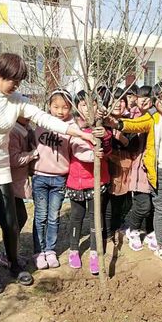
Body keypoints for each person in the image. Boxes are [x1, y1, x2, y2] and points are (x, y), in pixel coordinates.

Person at [0, 53, 94, 293]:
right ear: (0, 74)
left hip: (1, 169)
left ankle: (12, 263)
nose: (17, 85)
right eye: (15, 80)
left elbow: (42, 117)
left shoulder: (16, 98)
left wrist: (78, 133)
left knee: (10, 223)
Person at [106, 81, 162, 267]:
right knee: (161, 209)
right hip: (159, 171)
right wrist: (116, 123)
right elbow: (133, 125)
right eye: (160, 98)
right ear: (155, 100)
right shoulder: (152, 118)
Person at [66, 90, 112, 275]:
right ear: (77, 106)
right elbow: (77, 150)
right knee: (76, 216)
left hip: (97, 180)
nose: (89, 108)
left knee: (96, 217)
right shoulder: (72, 127)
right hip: (76, 181)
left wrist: (105, 138)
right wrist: (94, 154)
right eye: (84, 104)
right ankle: (73, 249)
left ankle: (95, 251)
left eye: (92, 104)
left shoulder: (101, 127)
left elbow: (108, 151)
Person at [32, 89, 74, 269]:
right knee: (40, 216)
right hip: (40, 177)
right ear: (49, 106)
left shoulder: (72, 128)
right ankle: (38, 251)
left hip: (59, 179)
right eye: (56, 106)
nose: (60, 111)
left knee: (53, 217)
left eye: (65, 107)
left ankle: (50, 250)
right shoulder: (40, 124)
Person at [3, 114, 38, 268]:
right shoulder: (13, 132)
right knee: (16, 219)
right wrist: (32, 155)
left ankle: (11, 253)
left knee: (19, 218)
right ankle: (8, 255)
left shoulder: (26, 129)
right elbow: (14, 159)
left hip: (17, 181)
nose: (28, 116)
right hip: (10, 182)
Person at [125, 85, 156, 251]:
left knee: (154, 204)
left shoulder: (158, 116)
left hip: (156, 166)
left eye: (147, 97)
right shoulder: (131, 116)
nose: (143, 100)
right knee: (142, 204)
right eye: (140, 96)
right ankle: (134, 229)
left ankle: (151, 231)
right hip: (138, 166)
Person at [104, 88, 134, 242]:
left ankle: (116, 227)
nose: (118, 104)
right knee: (109, 200)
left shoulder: (128, 122)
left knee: (123, 201)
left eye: (122, 100)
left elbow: (133, 144)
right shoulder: (102, 122)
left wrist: (121, 138)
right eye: (114, 100)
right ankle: (108, 234)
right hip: (107, 163)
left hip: (125, 164)